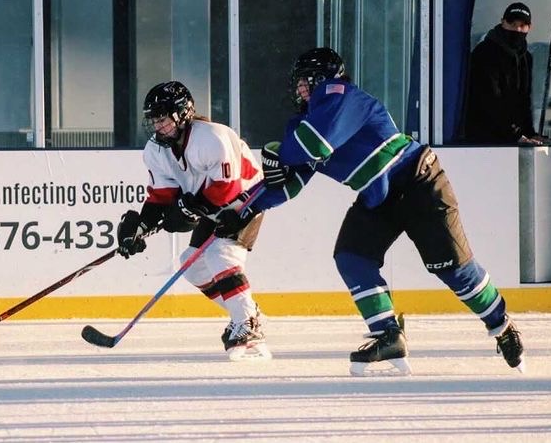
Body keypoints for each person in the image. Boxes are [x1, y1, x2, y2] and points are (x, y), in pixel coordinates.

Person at [218, 47, 524, 376]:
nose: (299, 90)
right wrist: (242, 210)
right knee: (352, 257)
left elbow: (313, 146)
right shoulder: (306, 120)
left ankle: (501, 325)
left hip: (419, 182)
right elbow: (289, 184)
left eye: (304, 82)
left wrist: (279, 153)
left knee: (454, 270)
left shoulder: (342, 96)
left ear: (321, 78)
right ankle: (388, 335)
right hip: (379, 199)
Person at [115, 80, 270, 361]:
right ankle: (247, 313)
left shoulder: (212, 136)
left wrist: (190, 208)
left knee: (222, 254)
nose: (157, 126)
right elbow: (162, 196)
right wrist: (140, 228)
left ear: (182, 113)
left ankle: (247, 323)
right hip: (212, 203)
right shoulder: (156, 151)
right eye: (154, 120)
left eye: (162, 119)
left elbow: (227, 188)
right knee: (193, 265)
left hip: (244, 200)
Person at [464, 2, 550, 145]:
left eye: (522, 25)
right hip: (483, 140)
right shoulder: (484, 53)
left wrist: (530, 133)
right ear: (502, 22)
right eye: (512, 23)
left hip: (511, 137)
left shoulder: (525, 57)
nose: (517, 29)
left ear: (529, 27)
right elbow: (488, 100)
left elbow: (524, 99)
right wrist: (515, 134)